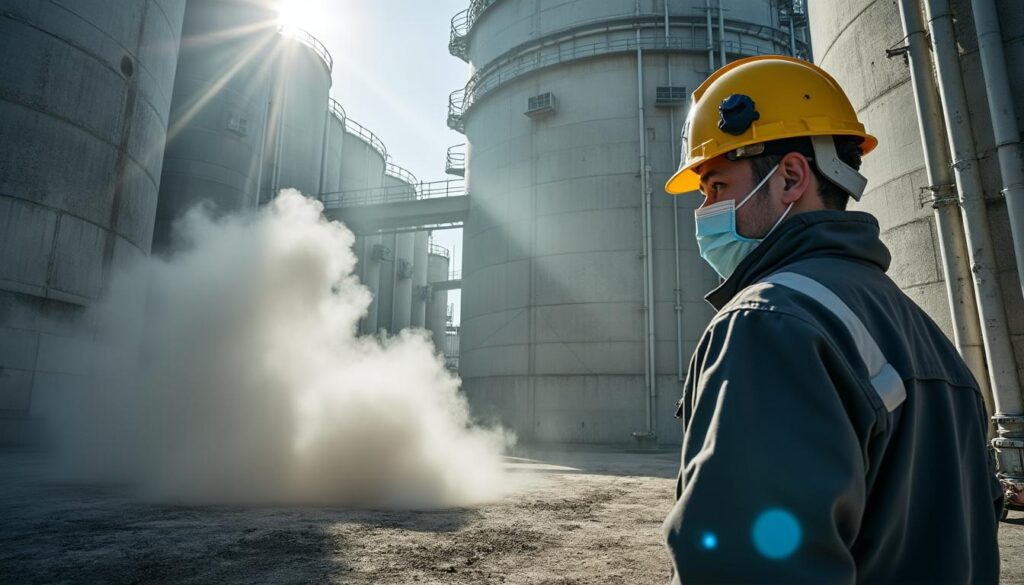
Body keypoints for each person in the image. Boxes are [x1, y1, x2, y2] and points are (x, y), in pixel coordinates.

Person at [661, 55, 1001, 583]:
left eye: (718, 186)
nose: (704, 210)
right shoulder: (926, 336)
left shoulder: (768, 323)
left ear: (791, 177)